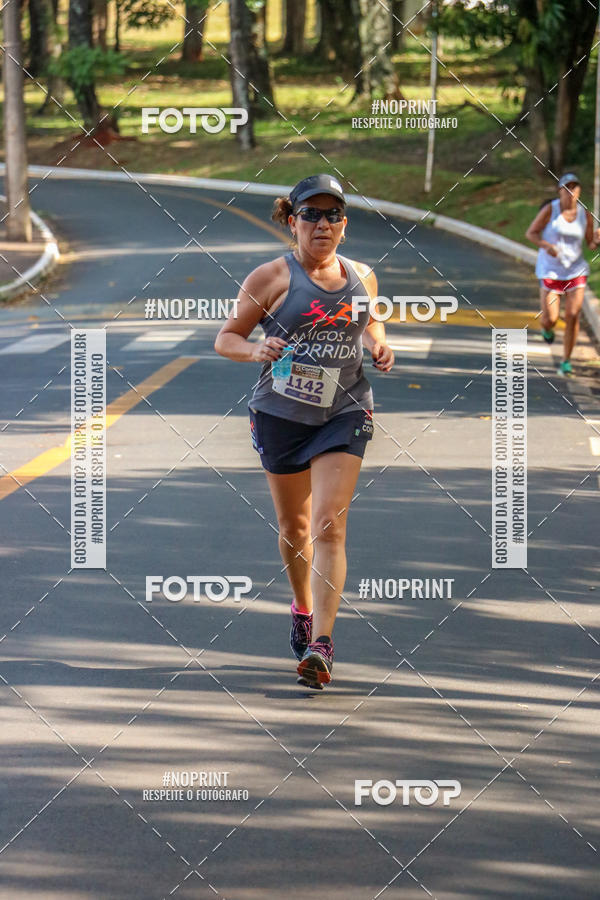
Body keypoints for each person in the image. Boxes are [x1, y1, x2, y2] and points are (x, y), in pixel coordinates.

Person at [214, 174, 394, 689]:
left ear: (344, 225)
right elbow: (226, 337)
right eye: (311, 215)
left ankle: (322, 642)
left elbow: (370, 320)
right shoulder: (271, 277)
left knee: (328, 524)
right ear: (292, 222)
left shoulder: (362, 275)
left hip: (345, 410)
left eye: (332, 215)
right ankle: (302, 606)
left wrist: (379, 344)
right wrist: (255, 349)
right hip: (282, 415)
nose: (322, 224)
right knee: (295, 529)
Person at [525, 173, 600, 376]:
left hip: (575, 271)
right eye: (567, 188)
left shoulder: (584, 214)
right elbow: (531, 233)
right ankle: (547, 328)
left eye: (574, 187)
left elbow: (590, 245)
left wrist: (597, 239)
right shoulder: (551, 209)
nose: (571, 192)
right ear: (559, 191)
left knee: (573, 315)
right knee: (550, 318)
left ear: (579, 191)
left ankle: (566, 360)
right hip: (550, 270)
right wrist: (546, 246)